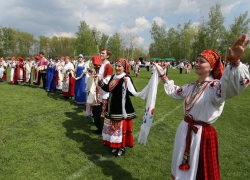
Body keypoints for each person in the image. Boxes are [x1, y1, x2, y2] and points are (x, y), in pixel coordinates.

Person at [154, 34, 250, 180]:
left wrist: (235, 61)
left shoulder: (215, 87)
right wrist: (163, 76)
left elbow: (230, 87)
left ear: (211, 67)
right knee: (181, 165)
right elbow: (175, 91)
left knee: (200, 171)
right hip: (185, 130)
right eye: (196, 61)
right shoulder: (192, 86)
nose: (197, 64)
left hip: (201, 135)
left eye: (202, 62)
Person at [98, 58, 136, 157]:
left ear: (124, 68)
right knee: (113, 128)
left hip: (121, 108)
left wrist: (128, 83)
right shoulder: (113, 77)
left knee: (119, 128)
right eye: (116, 66)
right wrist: (100, 81)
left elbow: (132, 93)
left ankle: (121, 147)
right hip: (111, 106)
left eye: (120, 66)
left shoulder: (126, 77)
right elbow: (107, 88)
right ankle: (114, 146)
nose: (117, 68)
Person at [92, 49, 113, 135]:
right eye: (101, 53)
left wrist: (99, 78)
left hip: (105, 94)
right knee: (95, 111)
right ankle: (100, 128)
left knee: (102, 114)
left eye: (103, 53)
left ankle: (103, 132)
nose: (101, 54)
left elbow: (108, 81)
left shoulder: (108, 66)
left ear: (107, 56)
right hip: (99, 92)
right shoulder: (101, 65)